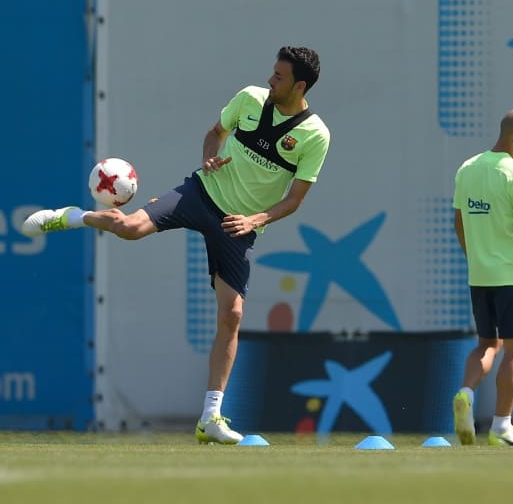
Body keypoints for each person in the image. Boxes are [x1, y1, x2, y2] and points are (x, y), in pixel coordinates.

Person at [22, 46, 331, 444]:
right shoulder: (250, 98)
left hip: (237, 226)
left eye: (279, 77)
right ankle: (74, 216)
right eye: (272, 73)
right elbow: (214, 134)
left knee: (232, 315)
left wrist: (254, 219)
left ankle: (210, 418)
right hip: (200, 194)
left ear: (300, 85)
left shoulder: (314, 134)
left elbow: (294, 199)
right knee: (131, 230)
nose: (271, 80)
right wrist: (209, 158)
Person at [451, 109, 513, 447]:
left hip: (479, 276)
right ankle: (502, 427)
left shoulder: (466, 168)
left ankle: (465, 392)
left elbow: (459, 222)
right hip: (512, 275)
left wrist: (475, 257)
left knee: (485, 344)